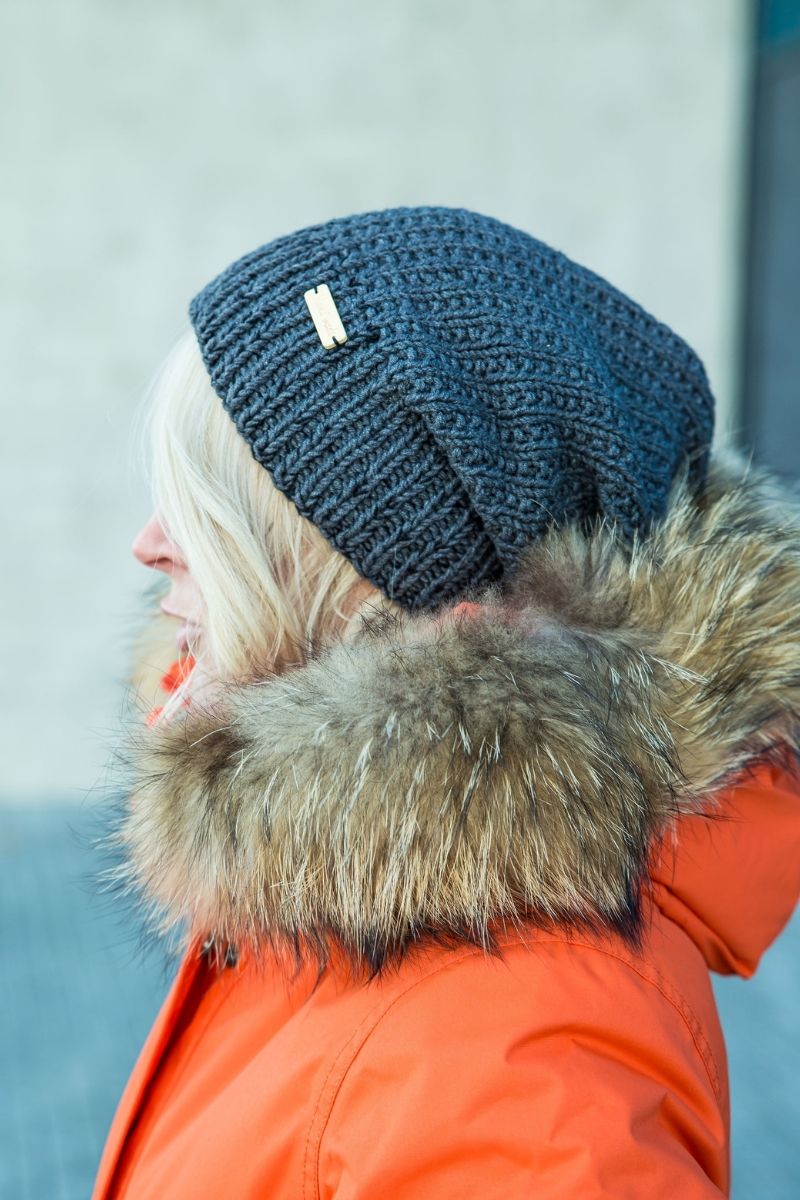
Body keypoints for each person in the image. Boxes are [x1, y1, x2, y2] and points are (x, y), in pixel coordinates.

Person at [92, 205, 800, 1199]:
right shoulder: (357, 884)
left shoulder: (525, 1053)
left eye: (216, 514)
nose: (151, 544)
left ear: (375, 579)